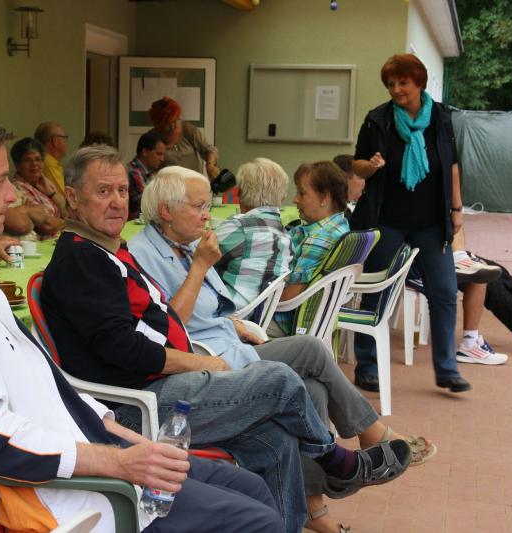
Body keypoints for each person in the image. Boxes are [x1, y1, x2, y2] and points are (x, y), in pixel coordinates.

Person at [0, 113, 285, 533]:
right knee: (259, 522)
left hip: (98, 452)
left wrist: (129, 440)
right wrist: (121, 462)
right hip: (79, 498)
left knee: (252, 488)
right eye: (1, 182)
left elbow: (46, 386)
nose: (11, 196)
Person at [40, 145, 411, 533]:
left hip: (168, 383)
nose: (118, 201)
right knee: (279, 379)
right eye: (103, 191)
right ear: (73, 197)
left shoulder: (110, 252)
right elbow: (125, 349)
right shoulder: (82, 260)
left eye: (121, 190)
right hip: (138, 404)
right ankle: (338, 463)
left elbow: (161, 321)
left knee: (276, 439)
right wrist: (201, 362)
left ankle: (298, 513)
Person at [130, 166, 432, 533]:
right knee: (307, 366)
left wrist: (235, 323)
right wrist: (199, 267)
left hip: (231, 344)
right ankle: (344, 461)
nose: (207, 215)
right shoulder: (144, 254)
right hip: (206, 362)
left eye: (207, 205)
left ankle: (319, 500)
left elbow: (214, 307)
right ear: (166, 210)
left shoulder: (189, 243)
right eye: (199, 206)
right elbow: (168, 326)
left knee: (312, 370)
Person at [350, 53, 471, 394]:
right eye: (391, 84)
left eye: (403, 82)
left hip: (431, 223)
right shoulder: (377, 119)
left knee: (444, 293)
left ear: (419, 82)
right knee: (377, 291)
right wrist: (371, 166)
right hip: (387, 220)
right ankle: (367, 366)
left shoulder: (441, 118)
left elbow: (452, 165)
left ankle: (447, 370)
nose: (396, 89)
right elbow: (357, 164)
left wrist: (457, 208)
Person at [271, 161, 351, 337]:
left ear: (324, 198)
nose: (295, 199)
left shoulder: (319, 240)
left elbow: (287, 297)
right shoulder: (340, 226)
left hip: (282, 323)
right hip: (322, 322)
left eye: (302, 193)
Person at [213, 157, 292, 309]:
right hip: (265, 310)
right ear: (282, 198)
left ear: (240, 193)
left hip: (231, 309)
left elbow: (198, 256)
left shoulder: (241, 227)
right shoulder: (285, 234)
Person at [8, 137, 65, 238]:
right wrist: (70, 223)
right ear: (17, 165)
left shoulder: (44, 184)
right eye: (27, 160)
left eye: (38, 159)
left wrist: (52, 194)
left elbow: (66, 212)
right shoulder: (16, 190)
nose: (34, 164)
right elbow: (47, 226)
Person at [148, 96, 219, 177]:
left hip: (195, 180)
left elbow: (210, 149)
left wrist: (210, 165)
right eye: (168, 124)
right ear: (158, 124)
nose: (173, 126)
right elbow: (151, 167)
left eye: (175, 121)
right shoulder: (152, 137)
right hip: (171, 183)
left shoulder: (187, 128)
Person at [128, 131, 166, 220]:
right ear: (145, 151)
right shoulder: (133, 172)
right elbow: (149, 202)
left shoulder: (148, 172)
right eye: (159, 154)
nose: (162, 159)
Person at [33, 121, 69, 215]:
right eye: (64, 138)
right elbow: (64, 201)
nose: (66, 143)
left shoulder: (50, 162)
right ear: (55, 141)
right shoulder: (48, 164)